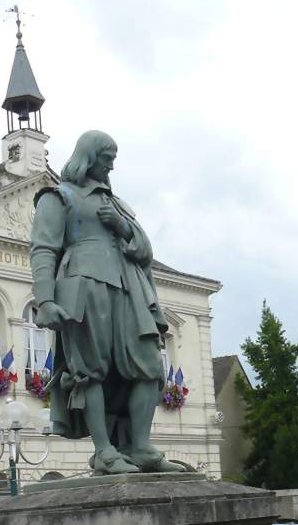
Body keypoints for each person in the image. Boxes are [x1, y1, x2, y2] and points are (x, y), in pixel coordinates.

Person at [31, 130, 184, 474]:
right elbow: (43, 249)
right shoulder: (58, 197)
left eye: (113, 160)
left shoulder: (117, 204)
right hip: (83, 287)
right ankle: (104, 451)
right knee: (90, 371)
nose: (111, 166)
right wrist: (45, 300)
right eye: (106, 159)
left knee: (148, 366)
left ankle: (140, 446)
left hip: (128, 288)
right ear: (88, 157)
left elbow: (145, 251)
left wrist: (122, 227)